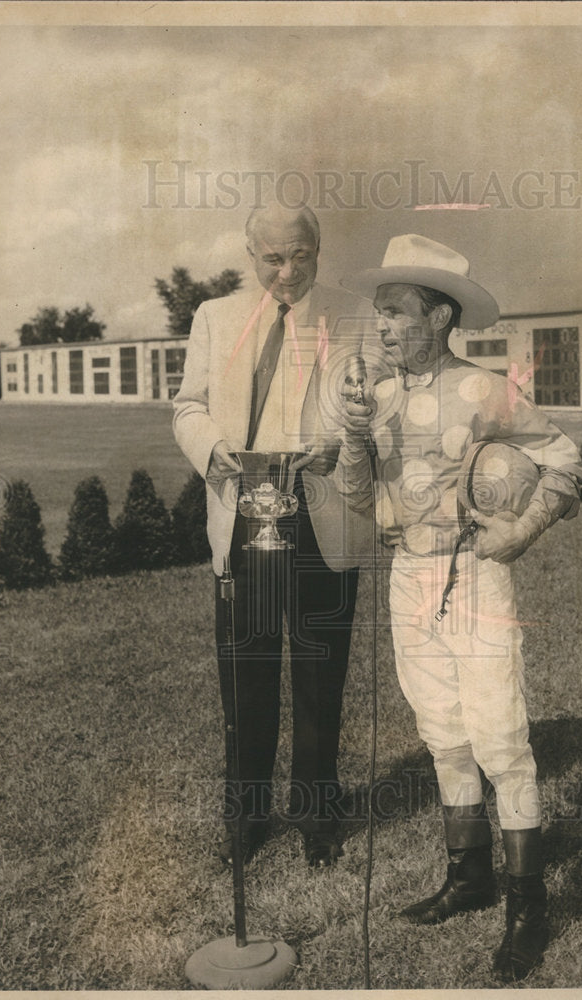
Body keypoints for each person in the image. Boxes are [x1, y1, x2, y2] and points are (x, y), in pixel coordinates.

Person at [334, 234, 582, 980]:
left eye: (395, 312)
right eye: (378, 312)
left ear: (439, 317)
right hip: (406, 576)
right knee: (442, 736)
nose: (380, 325)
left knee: (500, 741)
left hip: (475, 575)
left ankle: (527, 906)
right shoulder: (374, 397)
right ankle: (468, 877)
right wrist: (353, 437)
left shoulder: (483, 390)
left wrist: (518, 531)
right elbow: (356, 499)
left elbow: (565, 459)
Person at [173, 204, 370, 869]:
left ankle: (318, 813)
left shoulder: (355, 315)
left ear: (319, 249)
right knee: (245, 674)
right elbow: (188, 405)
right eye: (273, 259)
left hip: (324, 517)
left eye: (302, 257)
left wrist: (340, 445)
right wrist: (212, 448)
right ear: (249, 253)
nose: (287, 272)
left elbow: (382, 407)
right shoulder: (213, 317)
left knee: (320, 673)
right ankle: (247, 816)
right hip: (243, 516)